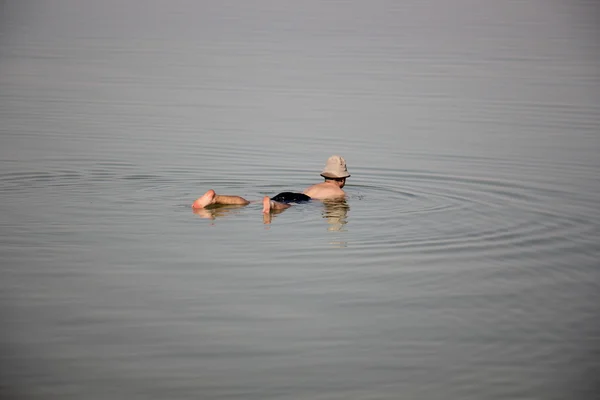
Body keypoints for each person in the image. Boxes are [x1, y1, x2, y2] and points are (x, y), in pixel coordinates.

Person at [191, 155, 351, 214]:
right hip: (304, 200)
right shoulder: (340, 193)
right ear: (342, 179)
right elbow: (336, 206)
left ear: (325, 176)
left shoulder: (314, 186)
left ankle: (217, 198)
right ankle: (272, 206)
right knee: (288, 206)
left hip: (292, 193)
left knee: (250, 202)